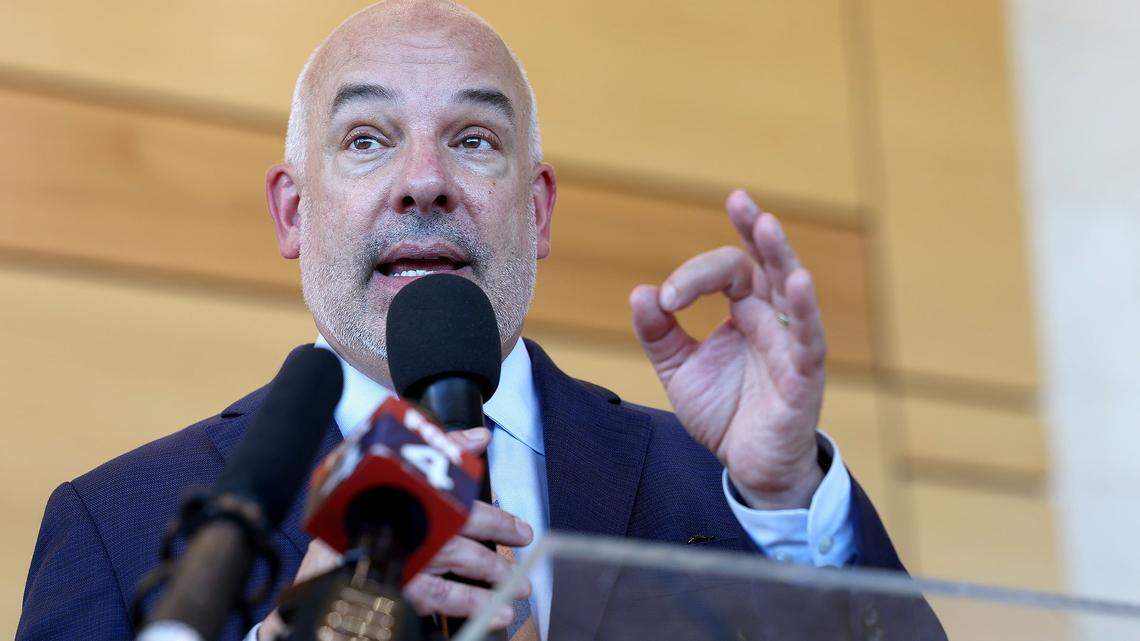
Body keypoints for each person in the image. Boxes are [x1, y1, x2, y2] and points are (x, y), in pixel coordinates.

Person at [17, 1, 942, 640]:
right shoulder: (115, 523)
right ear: (293, 212)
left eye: (473, 140)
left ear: (535, 212)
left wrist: (784, 494)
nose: (426, 181)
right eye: (368, 140)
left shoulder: (716, 492)